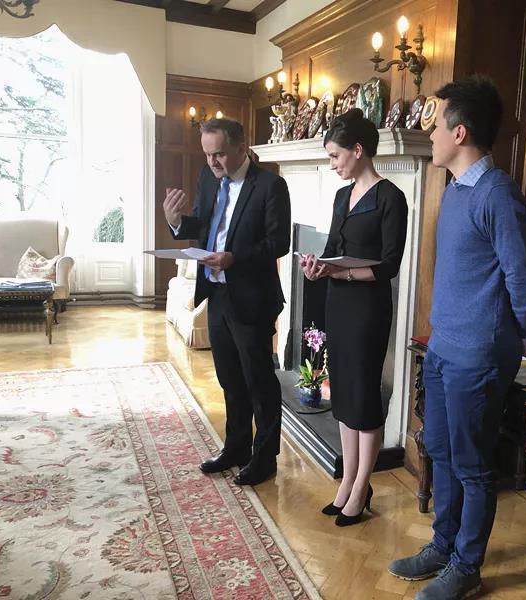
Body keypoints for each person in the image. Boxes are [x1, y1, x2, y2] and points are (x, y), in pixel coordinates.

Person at [388, 77, 526, 599]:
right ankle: (443, 545)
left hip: (478, 354)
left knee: (473, 465)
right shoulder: (455, 189)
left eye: (436, 126)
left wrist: (521, 333)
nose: (430, 134)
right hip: (443, 346)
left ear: (461, 133)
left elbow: (523, 277)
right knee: (440, 448)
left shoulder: (498, 195)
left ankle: (467, 566)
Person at [163, 118, 290, 486]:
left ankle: (265, 458)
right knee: (230, 378)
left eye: (218, 154)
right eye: (207, 155)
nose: (212, 162)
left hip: (252, 298)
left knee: (259, 382)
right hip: (216, 293)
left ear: (240, 147)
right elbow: (204, 226)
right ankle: (236, 447)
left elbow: (278, 242)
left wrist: (235, 258)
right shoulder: (208, 178)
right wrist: (176, 222)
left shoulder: (270, 185)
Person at [299, 108, 408, 527]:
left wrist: (341, 272)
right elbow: (332, 249)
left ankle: (362, 486)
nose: (332, 164)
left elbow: (389, 265)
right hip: (338, 303)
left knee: (363, 395)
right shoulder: (341, 197)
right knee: (343, 392)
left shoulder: (391, 198)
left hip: (368, 308)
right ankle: (347, 479)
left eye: (335, 155)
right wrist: (317, 267)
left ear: (357, 150)